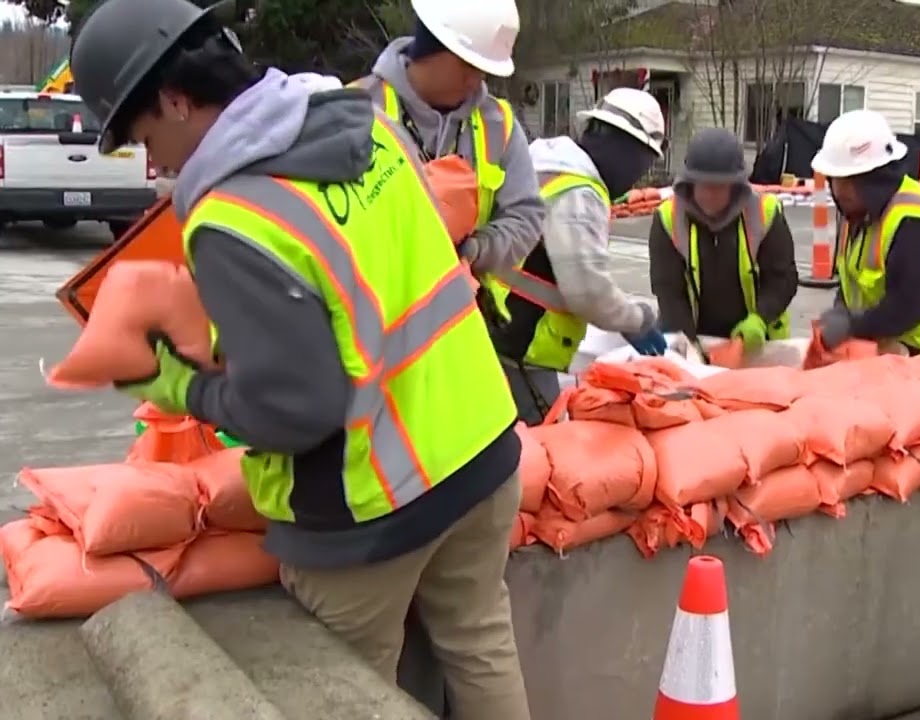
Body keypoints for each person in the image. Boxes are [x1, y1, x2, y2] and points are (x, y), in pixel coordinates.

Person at [69, 2, 531, 718]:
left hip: (375, 506)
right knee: (480, 648)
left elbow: (292, 411)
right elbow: (367, 287)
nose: (153, 162)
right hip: (482, 447)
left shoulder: (232, 217)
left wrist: (178, 384)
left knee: (349, 696)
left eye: (143, 136)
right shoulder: (359, 122)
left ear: (175, 99)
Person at [485, 87, 668, 423]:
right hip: (523, 345)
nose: (638, 177)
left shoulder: (541, 164)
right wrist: (637, 320)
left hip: (492, 325)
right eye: (643, 163)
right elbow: (587, 290)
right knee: (541, 445)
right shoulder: (579, 191)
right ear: (627, 149)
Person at [351, 0, 545, 276]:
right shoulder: (353, 110)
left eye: (483, 70)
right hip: (377, 308)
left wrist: (476, 250)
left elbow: (526, 216)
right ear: (431, 48)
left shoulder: (497, 123)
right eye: (468, 66)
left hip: (465, 312)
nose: (475, 81)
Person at [812, 110, 920, 355]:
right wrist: (842, 309)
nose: (840, 190)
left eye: (850, 180)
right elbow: (855, 278)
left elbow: (908, 307)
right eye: (836, 180)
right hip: (893, 329)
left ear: (877, 178)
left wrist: (852, 325)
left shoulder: (914, 224)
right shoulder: (859, 213)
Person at [649, 128, 797, 354]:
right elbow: (668, 291)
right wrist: (690, 347)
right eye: (704, 186)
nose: (710, 196)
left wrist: (760, 317)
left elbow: (782, 279)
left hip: (757, 338)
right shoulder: (668, 219)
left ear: (735, 185)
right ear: (690, 182)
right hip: (692, 334)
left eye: (719, 188)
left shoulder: (764, 213)